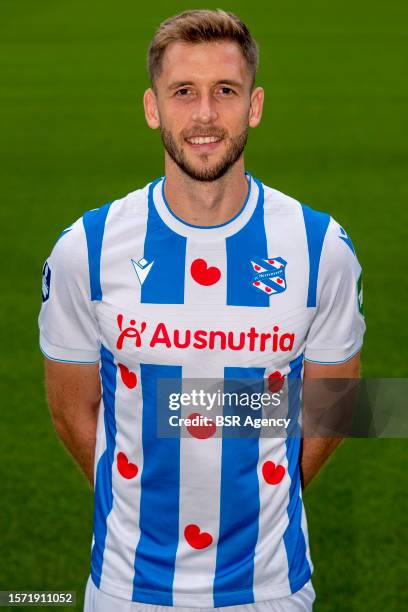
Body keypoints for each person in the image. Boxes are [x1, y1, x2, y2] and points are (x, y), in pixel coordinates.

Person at [38, 9, 366, 612]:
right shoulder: (85, 249)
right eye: (183, 93)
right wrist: (139, 497)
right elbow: (71, 411)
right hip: (123, 590)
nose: (206, 116)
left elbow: (335, 405)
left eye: (226, 92)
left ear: (255, 105)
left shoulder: (322, 250)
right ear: (152, 107)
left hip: (271, 591)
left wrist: (261, 485)